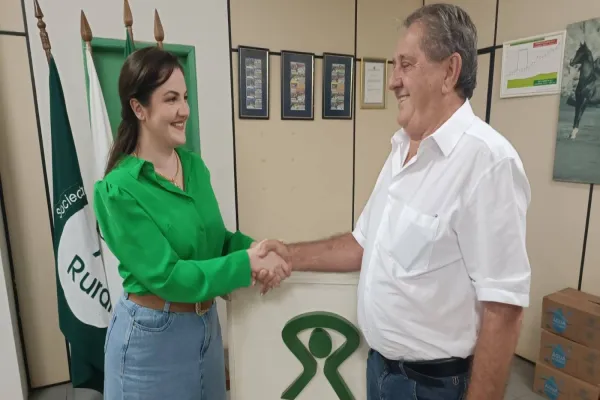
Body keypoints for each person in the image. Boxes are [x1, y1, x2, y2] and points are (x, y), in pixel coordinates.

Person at [257, 4, 531, 400]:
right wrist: (291, 254)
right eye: (393, 66)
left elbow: (503, 308)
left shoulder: (488, 163)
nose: (392, 82)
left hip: (433, 386)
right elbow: (363, 243)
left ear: (449, 71)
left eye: (406, 65)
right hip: (381, 372)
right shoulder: (403, 150)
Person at [93, 47, 289, 400]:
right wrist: (246, 264)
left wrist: (257, 250)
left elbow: (215, 240)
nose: (184, 109)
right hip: (151, 342)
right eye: (171, 99)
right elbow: (167, 275)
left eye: (185, 97)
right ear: (139, 108)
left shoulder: (194, 167)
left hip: (205, 328)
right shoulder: (118, 190)